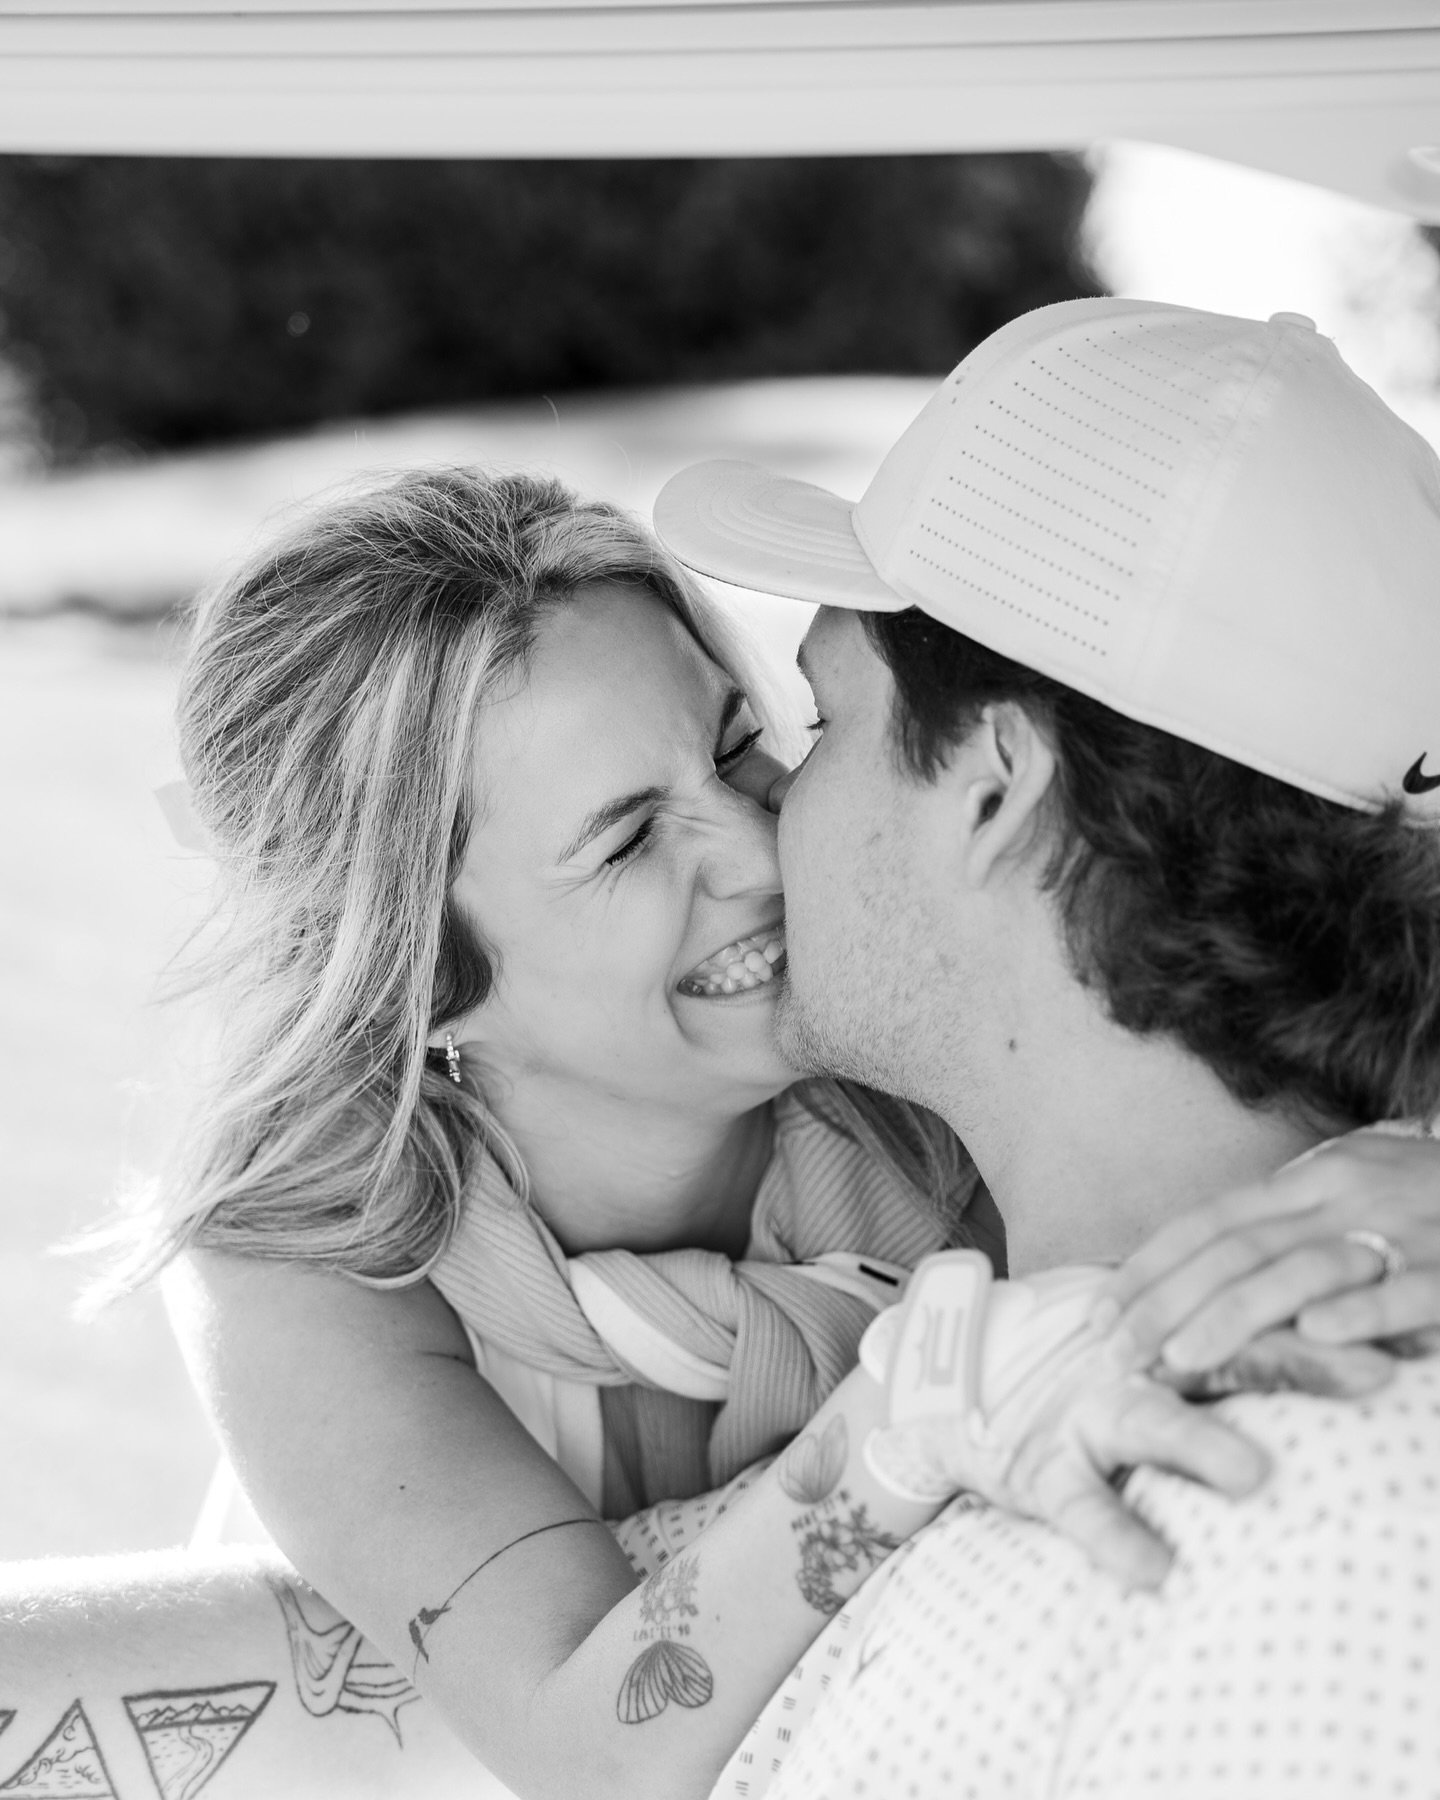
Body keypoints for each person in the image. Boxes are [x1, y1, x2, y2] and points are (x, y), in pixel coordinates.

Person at [649, 295, 1440, 1798]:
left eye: (821, 729)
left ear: (995, 788)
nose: (766, 823)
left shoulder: (1338, 1506)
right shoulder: (966, 1385)